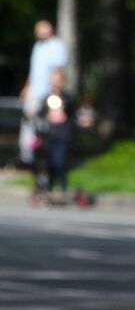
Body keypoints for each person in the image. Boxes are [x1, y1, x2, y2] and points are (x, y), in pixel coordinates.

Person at [19, 20, 68, 169]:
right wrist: (27, 86)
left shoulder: (56, 45)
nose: (38, 31)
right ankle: (27, 156)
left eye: (40, 28)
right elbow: (34, 70)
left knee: (46, 124)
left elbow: (57, 70)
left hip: (48, 92)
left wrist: (55, 91)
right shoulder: (37, 46)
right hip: (35, 90)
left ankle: (47, 157)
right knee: (29, 121)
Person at [33, 70, 78, 206]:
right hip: (50, 134)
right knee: (50, 164)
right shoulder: (46, 97)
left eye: (58, 79)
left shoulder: (67, 97)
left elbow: (72, 113)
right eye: (53, 79)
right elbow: (40, 114)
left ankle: (63, 189)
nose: (55, 82)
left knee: (60, 163)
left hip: (63, 133)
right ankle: (50, 190)